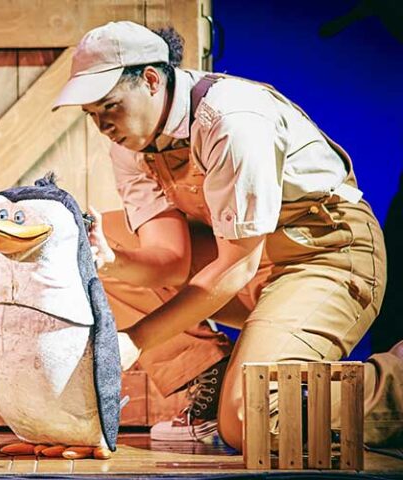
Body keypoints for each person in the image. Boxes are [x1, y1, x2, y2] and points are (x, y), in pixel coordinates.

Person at [53, 20, 403, 450]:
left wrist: (133, 341)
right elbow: (170, 259)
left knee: (252, 417)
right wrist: (112, 262)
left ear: (149, 79)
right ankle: (212, 384)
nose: (103, 126)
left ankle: (396, 385)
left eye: (109, 106)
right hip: (252, 267)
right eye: (91, 115)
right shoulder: (130, 145)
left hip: (325, 256)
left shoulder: (232, 119)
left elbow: (237, 266)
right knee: (83, 244)